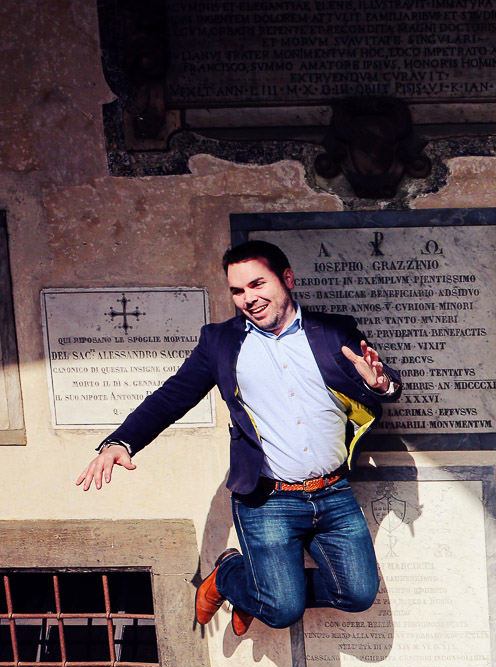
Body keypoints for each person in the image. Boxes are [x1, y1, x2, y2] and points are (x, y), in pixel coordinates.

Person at [76, 240, 400, 636]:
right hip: (268, 499)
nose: (248, 298)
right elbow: (171, 397)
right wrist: (119, 442)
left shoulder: (333, 331)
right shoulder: (221, 342)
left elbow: (382, 380)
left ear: (287, 279)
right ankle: (230, 574)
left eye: (257, 285)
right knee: (282, 611)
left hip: (334, 495)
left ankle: (254, 590)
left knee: (358, 595)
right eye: (237, 290)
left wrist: (381, 385)